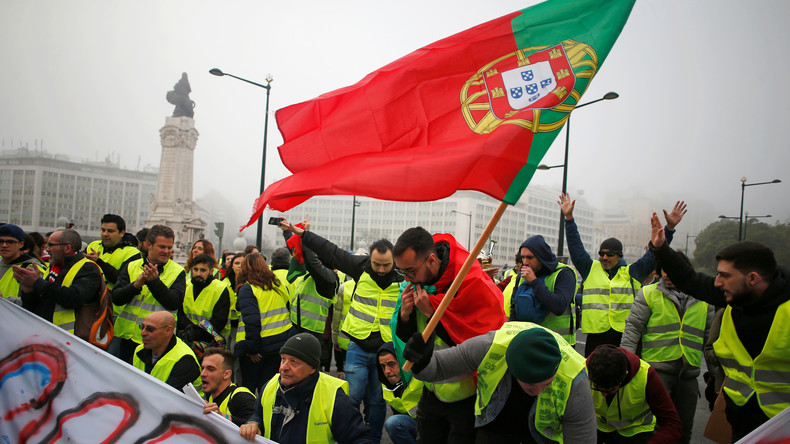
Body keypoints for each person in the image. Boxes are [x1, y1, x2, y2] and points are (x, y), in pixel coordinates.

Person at [648, 212, 790, 441]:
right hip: (740, 421)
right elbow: (691, 280)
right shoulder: (733, 295)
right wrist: (662, 249)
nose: (717, 282)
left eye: (725, 275)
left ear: (752, 278)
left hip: (781, 428)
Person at [283, 218, 402, 444]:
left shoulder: (403, 276)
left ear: (394, 260)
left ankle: (373, 440)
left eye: (386, 264)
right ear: (370, 258)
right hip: (357, 346)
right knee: (351, 397)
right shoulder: (361, 267)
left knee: (378, 401)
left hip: (386, 351)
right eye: (377, 263)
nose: (381, 269)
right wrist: (304, 235)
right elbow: (331, 252)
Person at [392, 226, 506, 444]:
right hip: (430, 392)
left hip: (465, 396)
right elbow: (413, 341)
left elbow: (479, 343)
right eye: (402, 272)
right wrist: (405, 316)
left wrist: (433, 312)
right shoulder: (416, 284)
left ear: (432, 260)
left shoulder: (470, 282)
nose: (406, 279)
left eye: (411, 271)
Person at [404, 322, 596, 443]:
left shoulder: (575, 381)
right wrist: (421, 360)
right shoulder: (489, 347)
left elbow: (583, 438)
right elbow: (438, 368)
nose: (538, 392)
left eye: (546, 384)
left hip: (543, 436)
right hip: (495, 426)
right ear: (511, 368)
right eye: (530, 386)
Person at [558, 194, 686, 355]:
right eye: (602, 253)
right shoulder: (590, 268)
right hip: (596, 338)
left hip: (624, 338)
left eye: (610, 254)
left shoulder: (632, 273)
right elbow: (576, 248)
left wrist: (669, 230)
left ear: (619, 256)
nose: (605, 257)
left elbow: (654, 255)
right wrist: (569, 218)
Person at [620, 252, 714, 444]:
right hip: (656, 372)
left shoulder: (704, 299)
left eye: (672, 270)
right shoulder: (649, 293)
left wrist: (716, 375)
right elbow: (632, 330)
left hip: (688, 375)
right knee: (655, 429)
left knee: (684, 429)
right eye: (664, 270)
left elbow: (711, 339)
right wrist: (626, 366)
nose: (667, 275)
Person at [239, 333, 370, 443]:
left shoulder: (334, 396)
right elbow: (258, 415)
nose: (283, 367)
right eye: (283, 359)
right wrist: (253, 424)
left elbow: (358, 439)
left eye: (293, 362)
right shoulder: (270, 386)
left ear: (312, 368)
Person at [112, 225, 186, 363]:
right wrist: (135, 286)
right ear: (149, 244)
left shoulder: (178, 272)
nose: (166, 251)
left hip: (157, 342)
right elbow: (116, 298)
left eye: (169, 248)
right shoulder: (132, 266)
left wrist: (154, 282)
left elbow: (174, 302)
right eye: (162, 247)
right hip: (126, 337)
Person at [586, 345, 682, 443]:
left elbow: (672, 423)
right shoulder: (582, 372)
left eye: (611, 390)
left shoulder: (646, 375)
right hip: (596, 428)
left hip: (636, 431)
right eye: (598, 389)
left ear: (625, 374)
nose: (604, 395)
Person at [15, 229, 102, 335]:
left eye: (51, 245)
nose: (47, 249)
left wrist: (38, 282)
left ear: (67, 248)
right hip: (45, 333)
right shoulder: (53, 266)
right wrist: (28, 291)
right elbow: (41, 301)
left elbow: (73, 298)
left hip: (69, 339)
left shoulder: (88, 268)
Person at [280, 217, 338, 373]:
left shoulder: (328, 278)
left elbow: (311, 260)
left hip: (312, 335)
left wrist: (305, 234)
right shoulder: (313, 275)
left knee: (306, 374)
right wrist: (287, 232)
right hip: (298, 329)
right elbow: (297, 252)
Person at [234, 253, 294, 393]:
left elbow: (252, 321)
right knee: (269, 391)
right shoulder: (277, 285)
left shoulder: (248, 289)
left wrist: (251, 350)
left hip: (258, 350)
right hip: (279, 345)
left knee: (248, 390)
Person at [506, 235, 579, 344]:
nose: (525, 262)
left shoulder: (563, 273)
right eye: (523, 257)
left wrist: (534, 282)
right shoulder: (522, 275)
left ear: (541, 256)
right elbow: (514, 309)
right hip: (528, 342)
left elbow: (559, 306)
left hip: (559, 345)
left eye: (530, 257)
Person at [132, 311, 201, 391]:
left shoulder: (185, 359)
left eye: (150, 329)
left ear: (168, 331)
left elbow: (165, 397)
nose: (143, 333)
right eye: (142, 327)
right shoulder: (140, 349)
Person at [178, 254, 231, 353]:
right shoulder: (186, 285)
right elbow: (179, 313)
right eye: (195, 269)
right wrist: (187, 329)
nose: (198, 273)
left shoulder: (220, 288)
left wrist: (195, 333)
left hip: (212, 342)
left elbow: (219, 321)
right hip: (186, 339)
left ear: (211, 271)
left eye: (203, 270)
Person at [377, 342, 422, 444]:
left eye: (391, 364)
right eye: (383, 366)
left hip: (435, 425)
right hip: (415, 425)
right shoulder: (386, 385)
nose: (387, 371)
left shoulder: (420, 376)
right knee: (393, 423)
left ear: (402, 362)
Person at [201, 347, 256, 426]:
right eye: (202, 368)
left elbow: (256, 428)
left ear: (226, 374)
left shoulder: (241, 397)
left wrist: (222, 416)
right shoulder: (211, 397)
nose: (203, 374)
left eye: (211, 369)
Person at [84, 214, 142, 290]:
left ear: (122, 233)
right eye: (103, 230)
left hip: (111, 299)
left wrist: (99, 262)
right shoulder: (93, 245)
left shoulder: (132, 253)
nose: (105, 234)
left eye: (110, 231)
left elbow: (123, 281)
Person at [1, 224, 43, 305]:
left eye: (10, 242)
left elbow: (36, 300)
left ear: (21, 244)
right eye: (1, 241)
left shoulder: (30, 267)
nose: (4, 245)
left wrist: (3, 301)